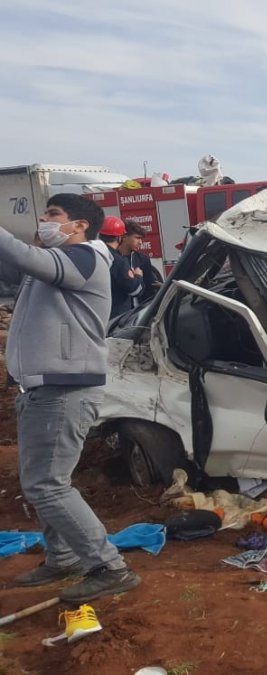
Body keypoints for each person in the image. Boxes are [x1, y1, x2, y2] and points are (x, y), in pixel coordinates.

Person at [0, 193, 141, 602]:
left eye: (53, 215)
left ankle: (109, 567)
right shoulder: (56, 263)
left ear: (79, 225)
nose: (43, 221)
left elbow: (22, 255)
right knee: (39, 481)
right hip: (43, 388)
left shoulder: (85, 257)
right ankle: (62, 557)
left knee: (47, 484)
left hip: (64, 390)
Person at [98, 216, 143, 318]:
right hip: (117, 316)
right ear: (119, 237)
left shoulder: (95, 254)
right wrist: (138, 276)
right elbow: (135, 290)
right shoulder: (117, 260)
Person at [115, 222, 163, 306]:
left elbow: (149, 288)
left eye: (141, 239)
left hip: (138, 310)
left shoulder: (143, 259)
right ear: (125, 237)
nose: (140, 242)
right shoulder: (112, 257)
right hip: (118, 309)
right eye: (137, 238)